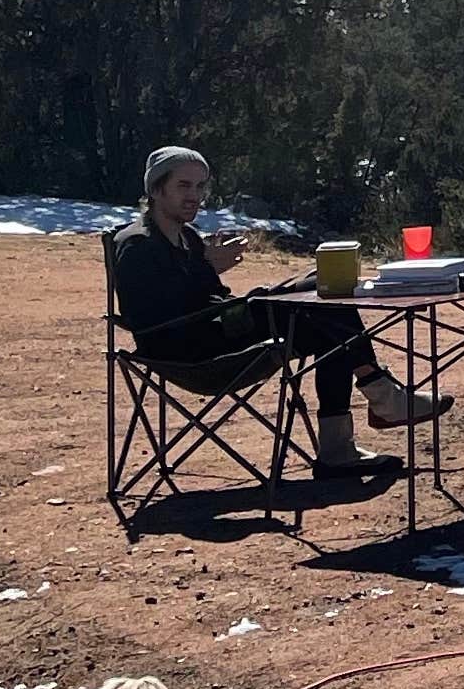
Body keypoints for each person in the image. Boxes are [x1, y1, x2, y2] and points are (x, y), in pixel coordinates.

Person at [114, 145, 436, 482]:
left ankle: (340, 449)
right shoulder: (138, 244)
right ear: (155, 189)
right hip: (194, 351)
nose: (194, 195)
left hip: (218, 328)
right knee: (316, 301)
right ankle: (382, 398)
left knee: (327, 313)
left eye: (200, 186)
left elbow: (210, 297)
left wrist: (209, 274)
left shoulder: (188, 238)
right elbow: (156, 321)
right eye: (184, 186)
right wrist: (208, 271)